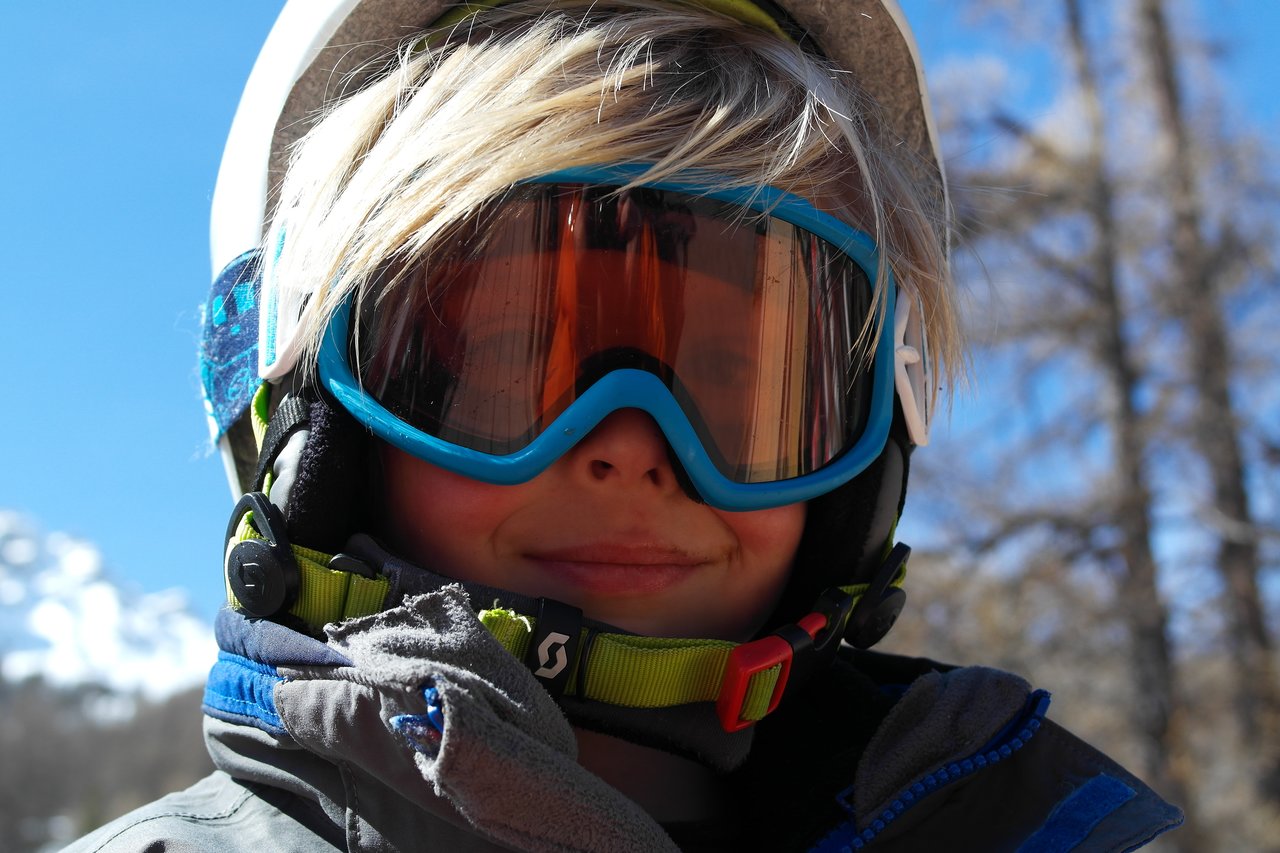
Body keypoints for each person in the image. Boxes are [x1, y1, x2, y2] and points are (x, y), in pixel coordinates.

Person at [67, 0, 1184, 850]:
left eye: (743, 378)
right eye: (511, 363)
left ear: (863, 443)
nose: (633, 447)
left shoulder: (1001, 811)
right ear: (309, 411)